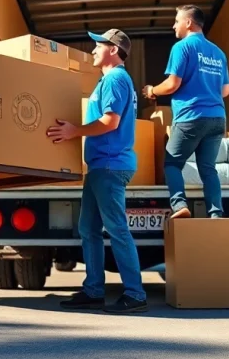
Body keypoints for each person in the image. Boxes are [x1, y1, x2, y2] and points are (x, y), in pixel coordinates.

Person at [47, 29, 148, 314]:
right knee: (88, 229)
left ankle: (135, 294)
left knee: (116, 229)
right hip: (99, 166)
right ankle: (93, 290)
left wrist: (73, 132)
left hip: (109, 165)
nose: (92, 50)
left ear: (113, 50)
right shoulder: (109, 80)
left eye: (98, 45)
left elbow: (110, 121)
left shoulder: (116, 78)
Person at [142, 4, 229, 220]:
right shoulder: (218, 53)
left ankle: (180, 204)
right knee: (208, 169)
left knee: (172, 164)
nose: (174, 26)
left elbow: (172, 84)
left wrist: (152, 90)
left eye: (177, 21)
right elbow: (225, 91)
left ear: (188, 23)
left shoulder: (182, 47)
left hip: (191, 116)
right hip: (217, 118)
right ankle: (216, 213)